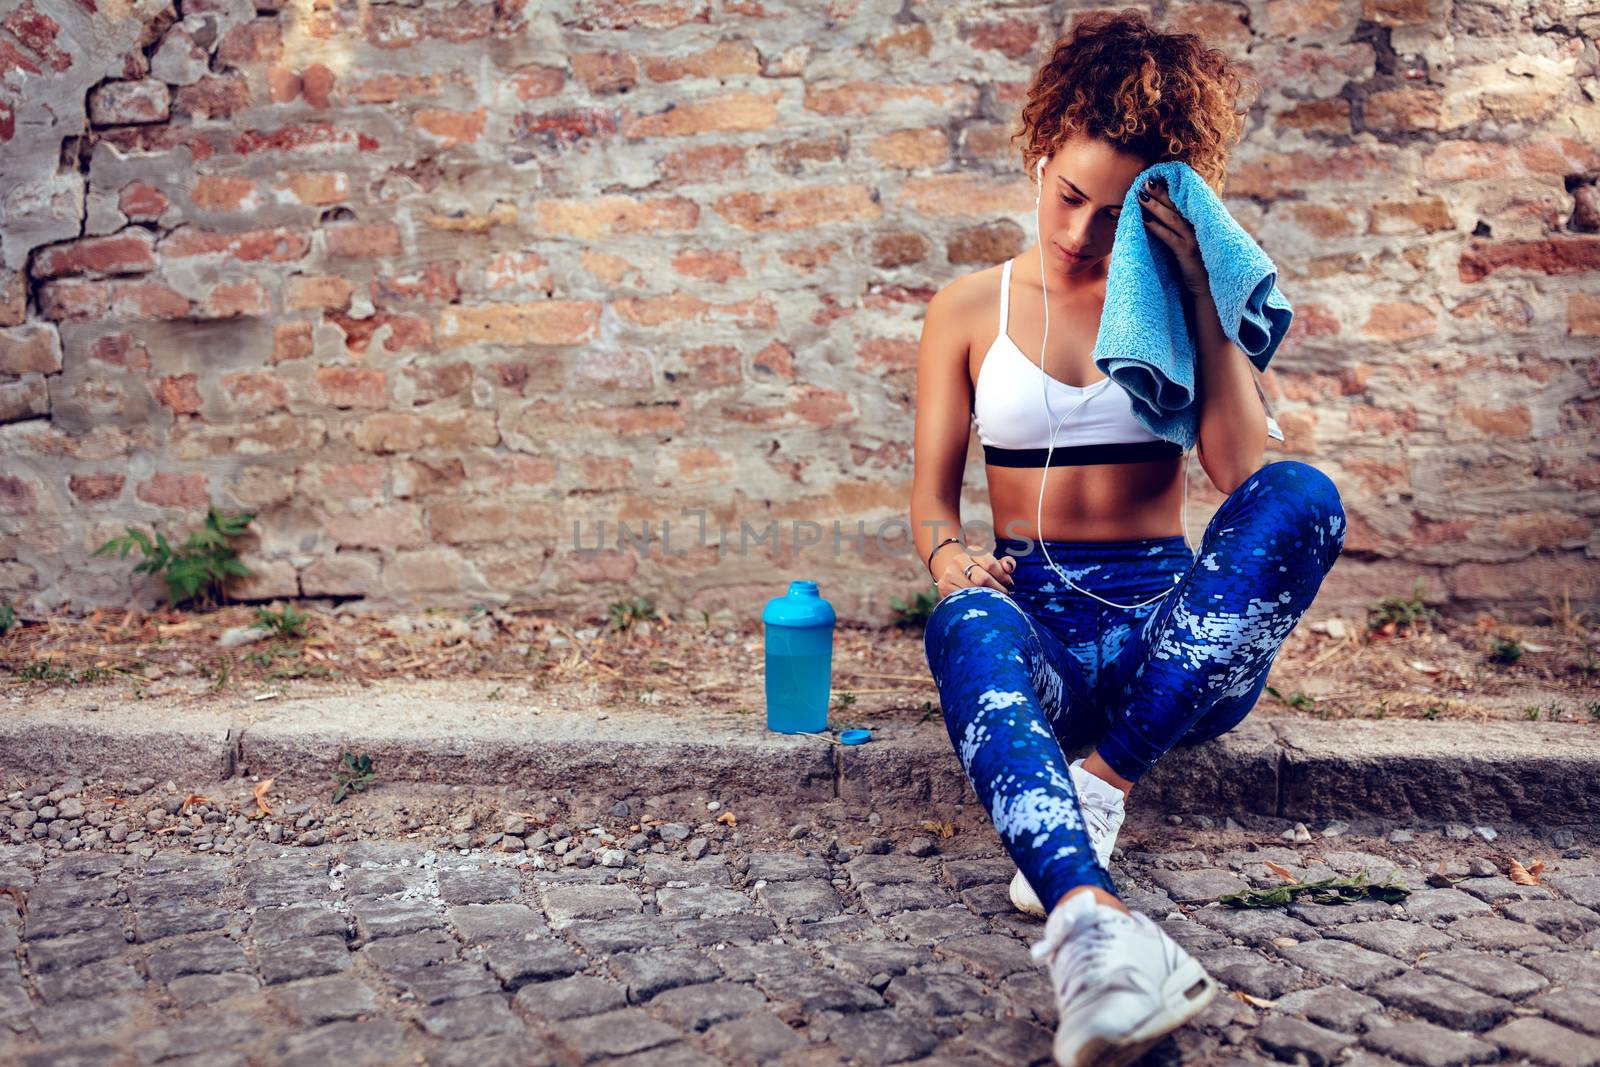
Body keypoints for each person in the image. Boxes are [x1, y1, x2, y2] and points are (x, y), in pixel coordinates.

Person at [908, 10, 1347, 1067]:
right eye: (1067, 196)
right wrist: (948, 558)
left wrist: (1199, 297)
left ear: (1158, 200)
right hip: (1039, 621)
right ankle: (1092, 927)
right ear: (1040, 148)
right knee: (961, 621)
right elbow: (928, 500)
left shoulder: (1166, 307)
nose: (1076, 232)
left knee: (1305, 490)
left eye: (1112, 214)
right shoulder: (966, 308)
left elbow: (1251, 485)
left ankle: (1101, 780)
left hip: (1173, 636)